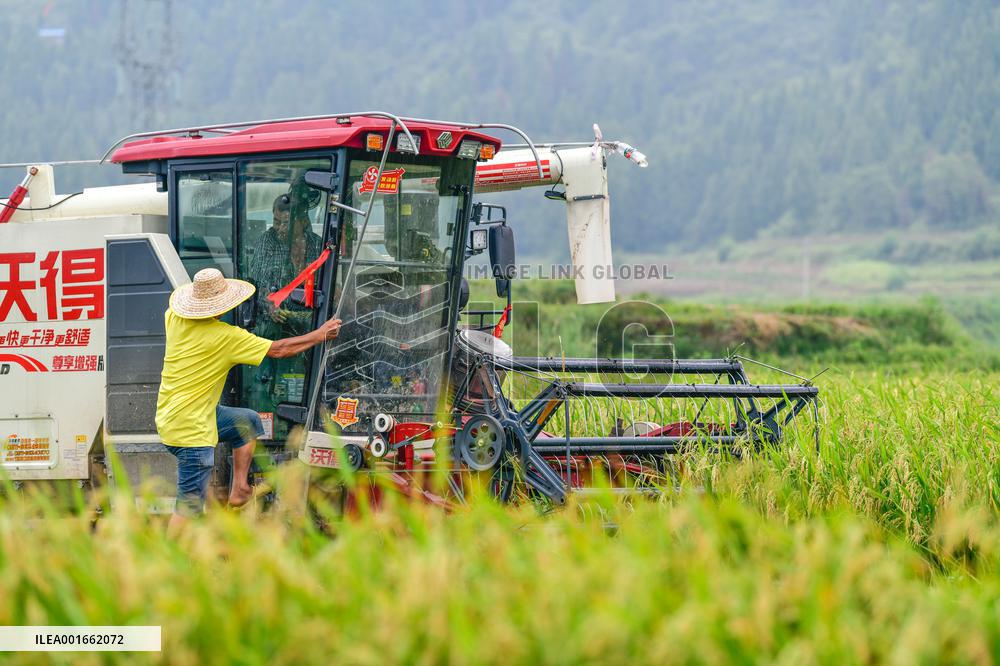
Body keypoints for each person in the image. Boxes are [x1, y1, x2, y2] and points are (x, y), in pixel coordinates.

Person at [156, 267, 340, 535]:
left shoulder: (173, 318)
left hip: (173, 418)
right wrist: (320, 334)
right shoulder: (225, 337)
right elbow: (279, 350)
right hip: (191, 433)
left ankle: (240, 489)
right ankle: (169, 556)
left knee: (247, 422)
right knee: (189, 506)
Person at [248, 194, 324, 339]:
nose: (280, 229)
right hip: (276, 321)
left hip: (311, 318)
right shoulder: (268, 241)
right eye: (276, 222)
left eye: (286, 223)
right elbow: (256, 284)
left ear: (303, 221)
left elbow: (326, 282)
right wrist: (269, 305)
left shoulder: (317, 244)